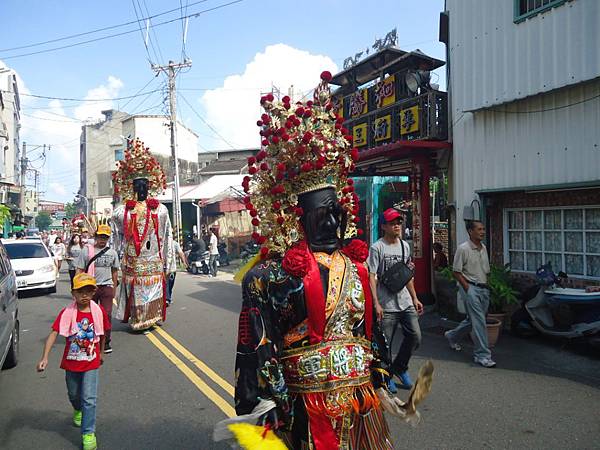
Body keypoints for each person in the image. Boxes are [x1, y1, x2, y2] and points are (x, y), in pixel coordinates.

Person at [219, 73, 433, 450]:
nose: (334, 222)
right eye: (323, 214)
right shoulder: (270, 276)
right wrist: (267, 406)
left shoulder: (356, 266)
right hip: (304, 406)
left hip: (359, 402)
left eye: (338, 212)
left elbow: (370, 334)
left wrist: (379, 377)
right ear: (295, 216)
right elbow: (256, 349)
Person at [36, 273, 110, 450]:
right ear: (73, 293)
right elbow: (54, 333)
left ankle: (88, 433)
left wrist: (101, 352)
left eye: (89, 291)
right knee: (74, 395)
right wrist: (44, 357)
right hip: (72, 363)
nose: (85, 295)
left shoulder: (98, 312)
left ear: (93, 293)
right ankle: (77, 409)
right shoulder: (67, 313)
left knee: (89, 399)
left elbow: (102, 333)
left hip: (91, 362)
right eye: (80, 291)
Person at [112, 138, 174, 332]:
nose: (141, 189)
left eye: (144, 185)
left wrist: (169, 261)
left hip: (154, 258)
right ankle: (138, 320)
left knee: (154, 289)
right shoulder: (122, 212)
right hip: (134, 259)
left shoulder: (160, 210)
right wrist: (115, 260)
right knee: (138, 291)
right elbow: (117, 238)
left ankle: (153, 317)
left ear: (150, 186)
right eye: (137, 185)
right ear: (131, 187)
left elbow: (167, 236)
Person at [368, 208, 423, 393]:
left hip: (405, 301)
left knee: (415, 336)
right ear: (383, 226)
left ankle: (399, 368)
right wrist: (376, 303)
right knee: (385, 344)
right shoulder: (377, 247)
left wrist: (415, 298)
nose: (397, 226)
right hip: (387, 302)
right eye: (392, 223)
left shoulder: (404, 246)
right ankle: (386, 376)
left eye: (398, 222)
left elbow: (407, 275)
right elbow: (372, 275)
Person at [444, 220, 496, 368]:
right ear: (470, 231)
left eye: (483, 229)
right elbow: (456, 271)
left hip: (484, 288)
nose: (482, 232)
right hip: (471, 288)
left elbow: (486, 270)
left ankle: (452, 335)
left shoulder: (483, 248)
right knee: (479, 321)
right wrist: (467, 288)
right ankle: (482, 355)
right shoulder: (463, 249)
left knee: (474, 319)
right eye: (479, 229)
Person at [76, 224, 120, 354]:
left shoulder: (112, 253)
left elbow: (115, 272)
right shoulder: (87, 251)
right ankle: (89, 340)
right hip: (89, 288)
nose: (102, 240)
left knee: (106, 315)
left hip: (106, 287)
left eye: (105, 237)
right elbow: (79, 269)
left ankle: (105, 342)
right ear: (95, 236)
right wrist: (77, 288)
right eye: (100, 237)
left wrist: (113, 290)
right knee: (88, 315)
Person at [166, 239, 188, 306]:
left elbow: (180, 253)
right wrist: (184, 262)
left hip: (171, 268)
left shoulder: (174, 243)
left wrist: (184, 262)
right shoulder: (163, 242)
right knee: (168, 284)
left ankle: (168, 297)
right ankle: (167, 299)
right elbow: (180, 253)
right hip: (169, 268)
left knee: (169, 284)